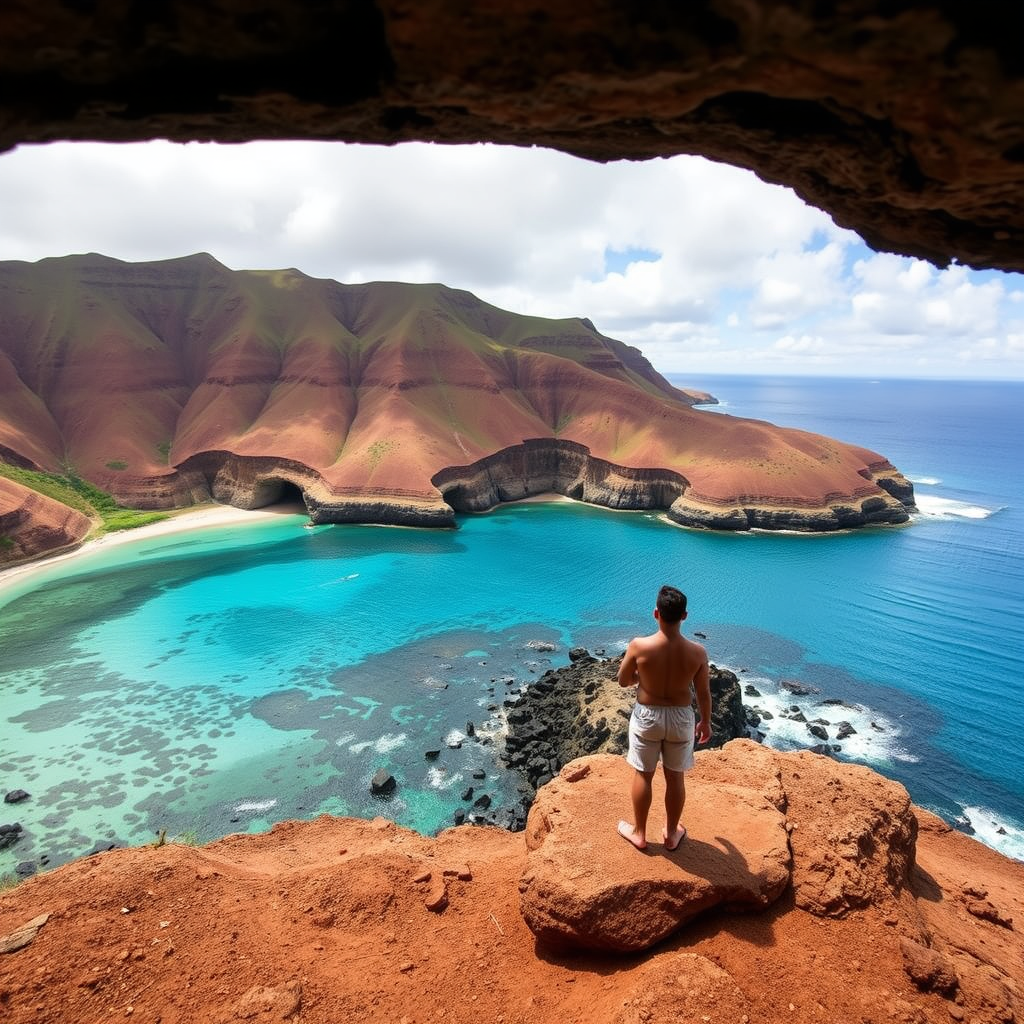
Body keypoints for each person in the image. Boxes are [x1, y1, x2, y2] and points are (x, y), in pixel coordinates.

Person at [616, 585, 712, 851]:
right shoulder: (698, 653)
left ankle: (639, 833)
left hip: (647, 716)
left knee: (644, 775)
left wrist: (641, 678)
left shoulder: (639, 645)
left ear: (656, 613)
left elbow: (623, 680)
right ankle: (671, 833)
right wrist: (705, 721)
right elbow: (703, 693)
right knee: (675, 776)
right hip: (681, 718)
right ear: (684, 616)